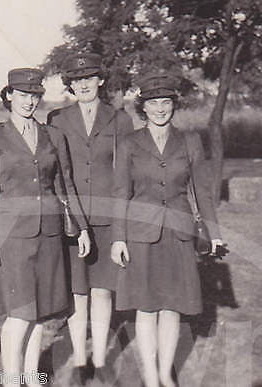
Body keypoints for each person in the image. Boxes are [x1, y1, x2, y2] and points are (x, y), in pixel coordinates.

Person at [0, 68, 91, 387]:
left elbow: (65, 183)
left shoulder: (54, 136)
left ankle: (32, 377)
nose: (29, 101)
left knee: (41, 310)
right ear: (9, 96)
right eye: (23, 95)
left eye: (34, 95)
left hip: (51, 233)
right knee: (20, 312)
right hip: (12, 235)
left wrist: (80, 226)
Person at [110, 73, 224, 387]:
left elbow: (202, 189)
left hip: (179, 232)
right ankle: (149, 375)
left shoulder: (190, 141)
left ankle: (165, 374)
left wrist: (213, 232)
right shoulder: (129, 143)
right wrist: (118, 237)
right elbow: (120, 192)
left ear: (173, 105)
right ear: (142, 107)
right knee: (146, 308)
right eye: (153, 102)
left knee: (173, 307)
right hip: (140, 234)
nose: (160, 108)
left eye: (166, 102)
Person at [47, 53, 134, 385]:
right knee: (77, 291)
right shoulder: (57, 118)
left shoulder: (120, 120)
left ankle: (99, 358)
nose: (82, 84)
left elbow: (125, 172)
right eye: (76, 79)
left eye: (89, 78)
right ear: (71, 85)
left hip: (107, 216)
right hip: (72, 217)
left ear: (100, 81)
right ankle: (80, 360)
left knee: (102, 291)